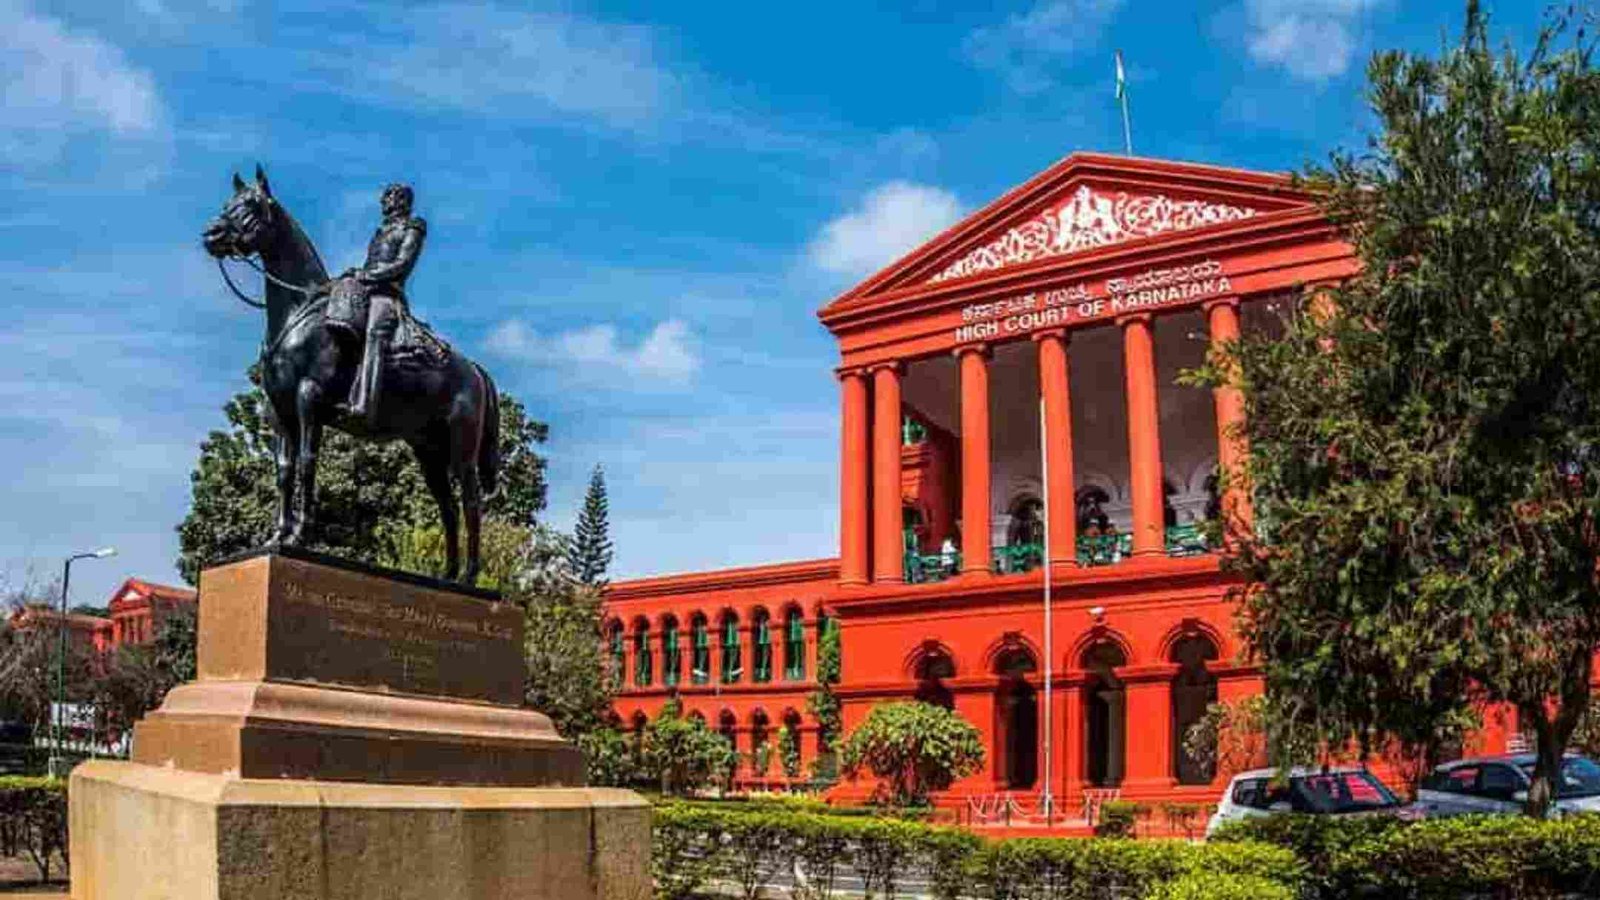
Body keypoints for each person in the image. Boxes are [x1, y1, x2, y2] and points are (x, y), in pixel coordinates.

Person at [343, 183, 426, 424]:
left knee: (374, 334)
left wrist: (368, 275)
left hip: (387, 296)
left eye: (389, 196)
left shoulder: (413, 227)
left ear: (402, 200)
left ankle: (364, 403)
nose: (383, 201)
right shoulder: (380, 232)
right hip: (366, 290)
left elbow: (402, 264)